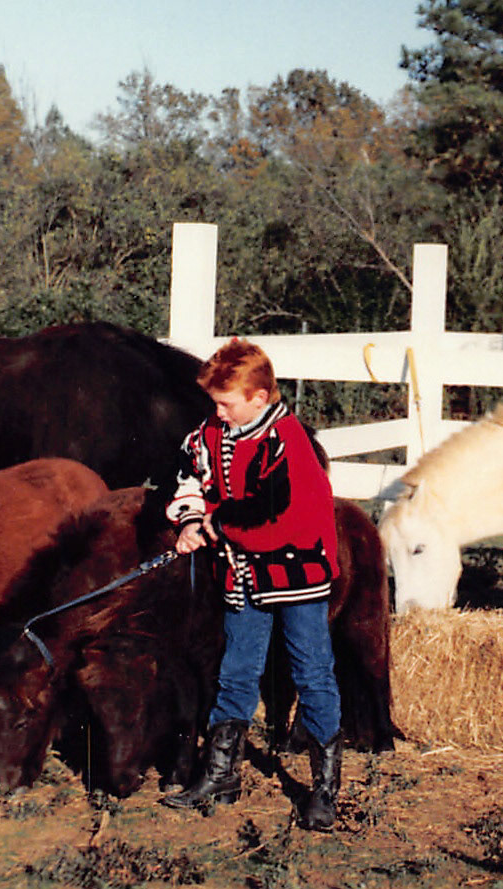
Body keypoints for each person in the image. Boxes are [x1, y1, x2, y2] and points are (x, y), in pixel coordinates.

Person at [161, 338, 343, 829]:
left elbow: (281, 515)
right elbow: (189, 476)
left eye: (226, 403)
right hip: (242, 573)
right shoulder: (210, 433)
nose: (218, 412)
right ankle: (221, 774)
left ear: (258, 398)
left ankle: (323, 789)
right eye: (215, 403)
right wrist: (191, 521)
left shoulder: (287, 440)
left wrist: (219, 524)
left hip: (297, 573)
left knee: (312, 674)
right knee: (236, 672)